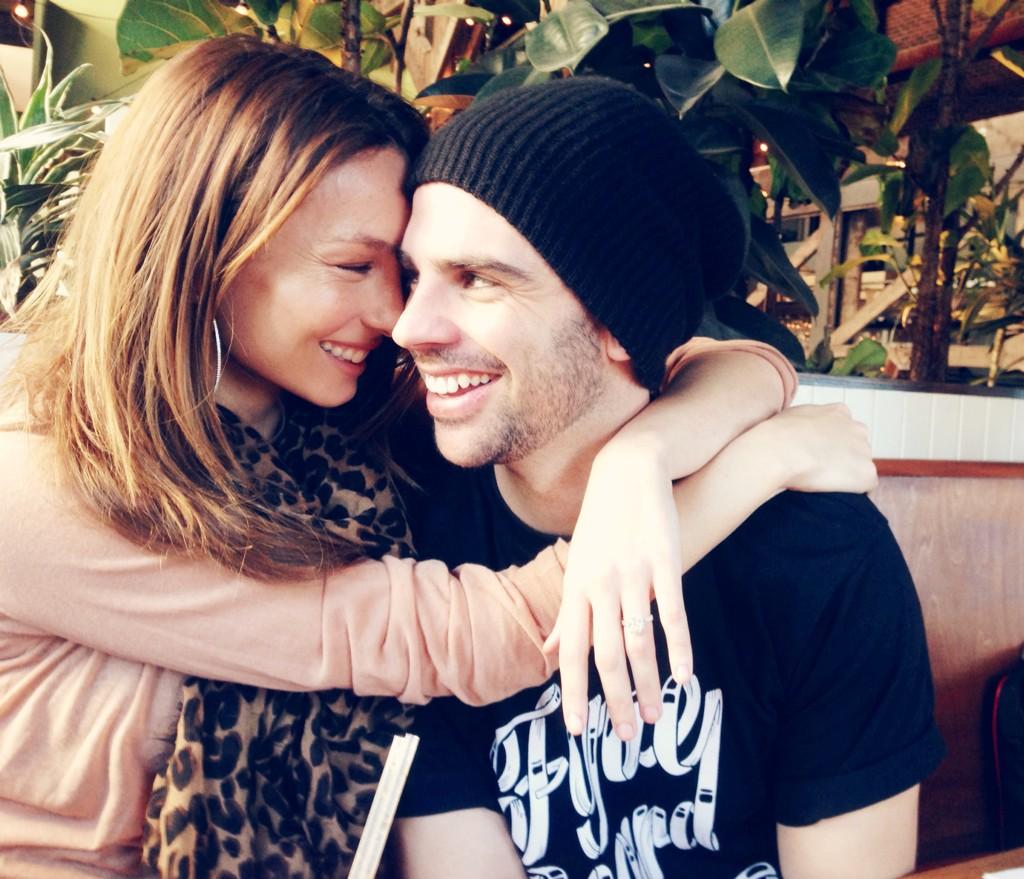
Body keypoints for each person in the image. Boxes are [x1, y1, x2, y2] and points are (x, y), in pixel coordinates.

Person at [0, 38, 871, 878]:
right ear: (206, 252)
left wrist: (642, 457)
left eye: (406, 271)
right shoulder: (39, 482)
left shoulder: (333, 433)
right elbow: (459, 636)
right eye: (355, 265)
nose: (396, 317)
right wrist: (756, 467)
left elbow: (670, 350)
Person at [390, 77, 945, 879]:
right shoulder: (416, 536)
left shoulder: (818, 553)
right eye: (413, 275)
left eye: (477, 278)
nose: (410, 326)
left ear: (619, 320)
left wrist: (645, 457)